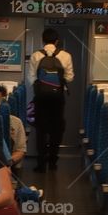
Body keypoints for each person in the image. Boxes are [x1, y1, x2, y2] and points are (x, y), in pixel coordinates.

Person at [28, 28, 74, 172]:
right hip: (57, 97)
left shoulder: (36, 55)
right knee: (56, 129)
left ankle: (41, 164)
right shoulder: (66, 55)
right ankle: (53, 162)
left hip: (41, 97)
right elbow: (69, 77)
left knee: (41, 129)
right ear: (57, 41)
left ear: (43, 40)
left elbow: (31, 78)